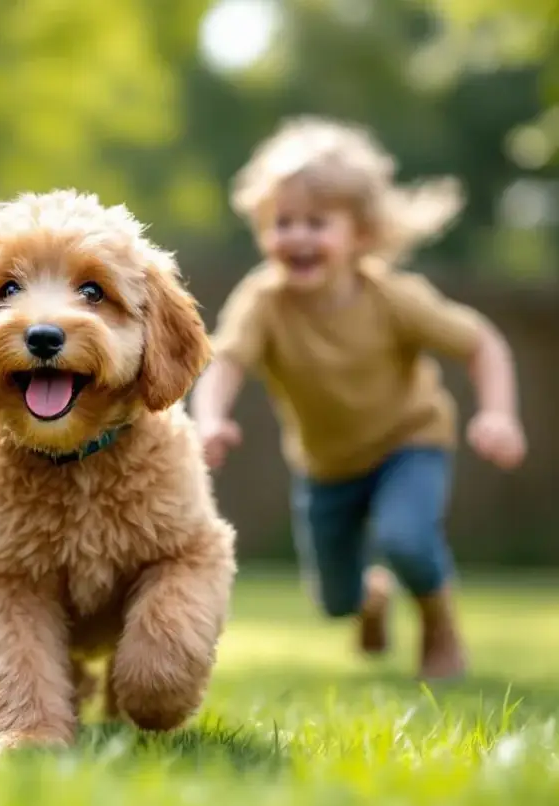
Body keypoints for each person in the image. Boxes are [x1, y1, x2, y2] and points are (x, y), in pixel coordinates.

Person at [191, 116, 527, 681]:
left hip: (408, 443)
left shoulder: (393, 298)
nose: (296, 237)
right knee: (334, 602)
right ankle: (370, 595)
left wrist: (499, 414)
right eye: (282, 222)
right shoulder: (264, 301)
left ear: (361, 234)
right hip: (326, 468)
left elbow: (483, 344)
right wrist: (210, 419)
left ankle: (438, 624)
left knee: (407, 539)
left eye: (316, 223)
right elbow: (226, 360)